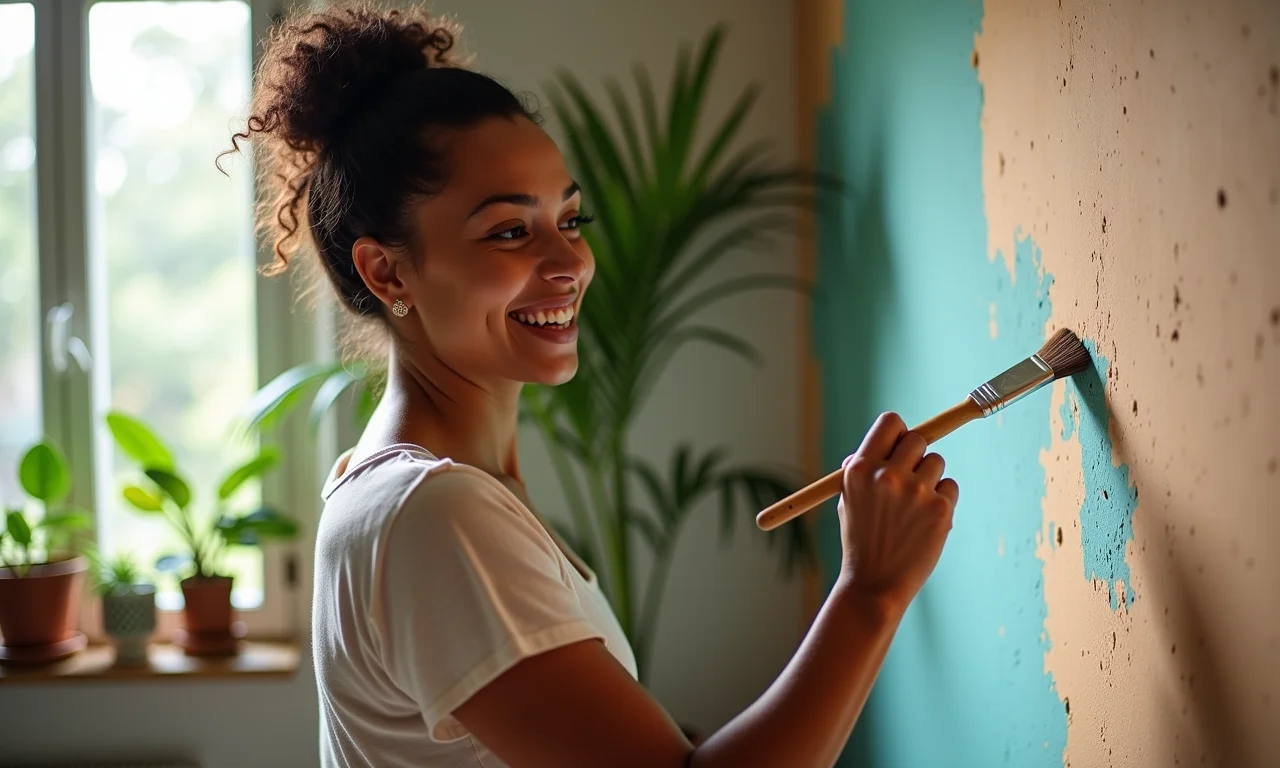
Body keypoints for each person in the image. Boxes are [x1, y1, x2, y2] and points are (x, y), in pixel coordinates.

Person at [227, 2, 960, 766]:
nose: (570, 263)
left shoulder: (416, 492)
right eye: (511, 230)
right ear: (387, 271)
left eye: (570, 221)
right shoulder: (433, 514)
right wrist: (870, 594)